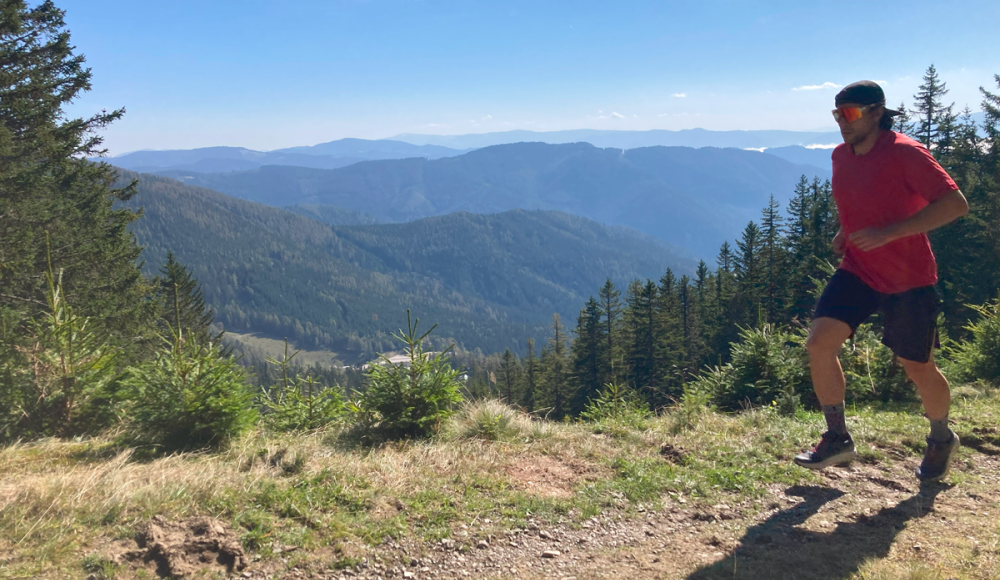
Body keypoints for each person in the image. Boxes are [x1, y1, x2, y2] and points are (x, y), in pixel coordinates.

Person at [793, 80, 969, 482]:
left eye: (850, 113)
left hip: (909, 278)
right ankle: (837, 437)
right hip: (859, 269)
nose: (842, 122)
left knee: (918, 367)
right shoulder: (841, 156)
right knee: (820, 343)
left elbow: (955, 204)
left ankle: (941, 437)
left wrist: (889, 233)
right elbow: (860, 199)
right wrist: (846, 229)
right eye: (837, 114)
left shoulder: (906, 153)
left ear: (876, 111)